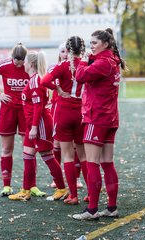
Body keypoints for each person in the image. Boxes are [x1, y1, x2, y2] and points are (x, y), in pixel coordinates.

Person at [72, 28, 127, 220]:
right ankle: (111, 208)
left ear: (105, 43)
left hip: (97, 117)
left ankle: (92, 209)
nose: (91, 46)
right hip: (109, 117)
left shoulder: (103, 62)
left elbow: (79, 76)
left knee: (93, 163)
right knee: (107, 163)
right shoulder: (112, 59)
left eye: (94, 42)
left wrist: (84, 60)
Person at [0, 43, 45, 197]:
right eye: (15, 61)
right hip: (8, 109)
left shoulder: (30, 67)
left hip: (26, 111)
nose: (18, 64)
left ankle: (32, 186)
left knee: (30, 149)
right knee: (6, 148)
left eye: (20, 62)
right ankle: (6, 186)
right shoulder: (3, 64)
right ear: (11, 57)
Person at [8, 50, 68, 201]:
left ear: (31, 64)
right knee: (27, 156)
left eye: (26, 61)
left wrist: (34, 127)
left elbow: (38, 107)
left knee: (47, 156)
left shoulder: (35, 81)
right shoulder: (33, 79)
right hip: (32, 124)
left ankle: (61, 188)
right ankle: (25, 191)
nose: (24, 64)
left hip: (39, 124)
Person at [41, 36, 88, 205]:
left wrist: (58, 89)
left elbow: (44, 81)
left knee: (67, 155)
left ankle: (73, 196)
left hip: (63, 112)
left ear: (67, 50)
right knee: (82, 155)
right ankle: (90, 194)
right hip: (81, 112)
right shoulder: (87, 64)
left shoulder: (62, 66)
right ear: (82, 49)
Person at [49, 43, 68, 188]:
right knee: (56, 143)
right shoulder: (53, 68)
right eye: (62, 51)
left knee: (73, 144)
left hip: (73, 107)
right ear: (59, 53)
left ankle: (77, 177)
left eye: (67, 51)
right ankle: (57, 177)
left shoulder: (76, 67)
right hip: (56, 107)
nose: (65, 54)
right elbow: (45, 82)